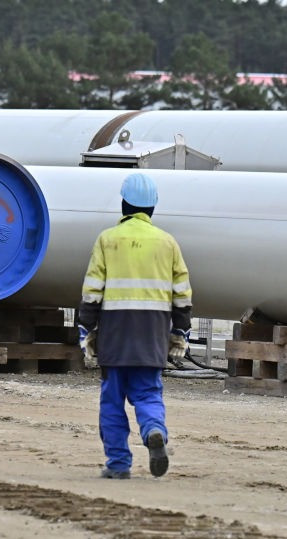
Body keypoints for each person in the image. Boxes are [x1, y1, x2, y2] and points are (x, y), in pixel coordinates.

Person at [77, 172, 192, 479]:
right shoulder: (168, 243)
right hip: (152, 334)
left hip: (115, 333)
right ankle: (154, 430)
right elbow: (182, 294)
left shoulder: (107, 240)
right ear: (152, 207)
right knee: (148, 393)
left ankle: (118, 464)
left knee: (112, 400)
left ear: (124, 204)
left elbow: (92, 291)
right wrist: (180, 331)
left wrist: (86, 329)